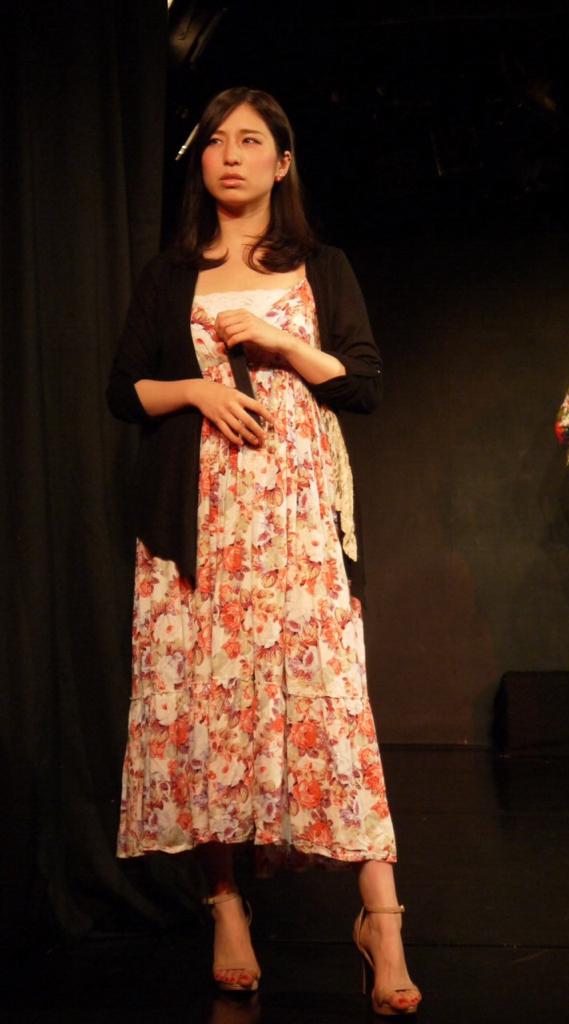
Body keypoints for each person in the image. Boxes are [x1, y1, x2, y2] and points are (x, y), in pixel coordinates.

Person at [107, 86, 421, 1017]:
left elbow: (361, 384)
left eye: (251, 141)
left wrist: (283, 342)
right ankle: (226, 907)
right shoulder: (170, 275)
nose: (231, 155)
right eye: (215, 141)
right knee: (204, 709)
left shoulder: (320, 265)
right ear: (201, 162)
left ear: (282, 164)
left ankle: (382, 919)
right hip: (197, 521)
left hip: (294, 518)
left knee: (331, 704)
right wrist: (196, 391)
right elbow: (125, 390)